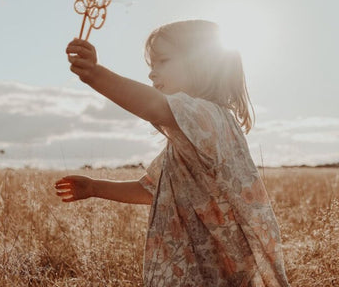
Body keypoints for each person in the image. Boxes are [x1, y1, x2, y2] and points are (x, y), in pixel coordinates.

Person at [55, 20, 291, 286]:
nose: (152, 74)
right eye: (150, 65)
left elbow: (153, 106)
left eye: (162, 61)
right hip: (195, 267)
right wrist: (95, 187)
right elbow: (150, 190)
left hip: (218, 267)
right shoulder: (188, 139)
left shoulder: (207, 118)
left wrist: (95, 74)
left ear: (203, 65)